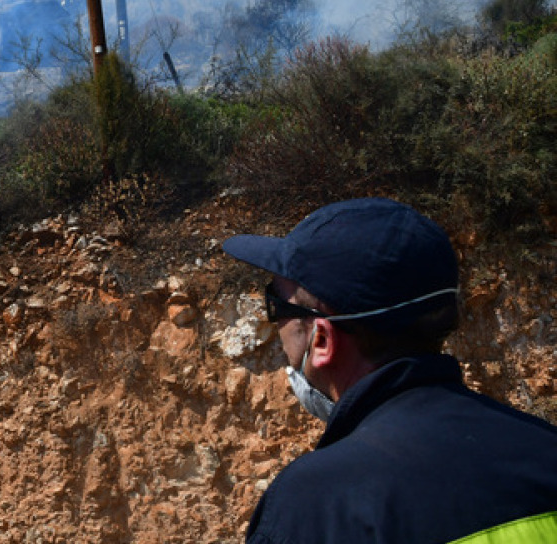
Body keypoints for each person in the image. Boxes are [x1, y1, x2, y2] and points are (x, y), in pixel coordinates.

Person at [222, 197, 557, 543]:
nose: (277, 323)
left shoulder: (315, 508)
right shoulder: (546, 451)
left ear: (321, 339)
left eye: (276, 303)